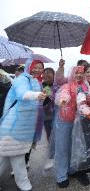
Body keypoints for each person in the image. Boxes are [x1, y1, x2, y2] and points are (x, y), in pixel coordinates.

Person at [0, 59, 46, 191]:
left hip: (22, 125)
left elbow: (37, 104)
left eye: (40, 68)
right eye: (35, 67)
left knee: (5, 156)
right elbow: (22, 94)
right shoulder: (22, 79)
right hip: (14, 125)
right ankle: (24, 184)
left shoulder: (35, 81)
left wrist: (45, 99)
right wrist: (37, 95)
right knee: (16, 157)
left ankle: (23, 183)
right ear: (28, 67)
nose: (37, 70)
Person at [54, 66, 87, 188]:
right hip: (64, 120)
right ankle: (61, 175)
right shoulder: (67, 85)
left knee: (73, 146)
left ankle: (70, 169)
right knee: (62, 147)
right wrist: (63, 100)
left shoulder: (85, 86)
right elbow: (63, 94)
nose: (79, 75)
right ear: (73, 74)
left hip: (78, 122)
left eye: (81, 73)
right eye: (76, 73)